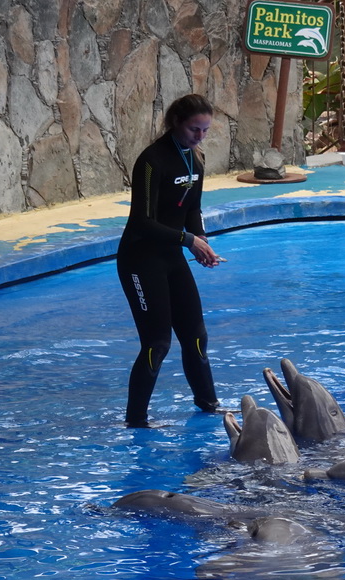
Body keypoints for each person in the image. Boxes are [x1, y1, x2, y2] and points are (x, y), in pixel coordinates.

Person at [116, 94, 225, 428]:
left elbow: (192, 209)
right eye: (195, 129)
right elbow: (142, 222)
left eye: (205, 130)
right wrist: (187, 240)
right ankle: (136, 421)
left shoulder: (195, 161)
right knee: (157, 343)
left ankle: (208, 403)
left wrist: (200, 240)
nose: (200, 136)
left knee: (195, 336)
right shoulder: (152, 161)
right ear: (176, 121)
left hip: (171, 256)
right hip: (140, 259)